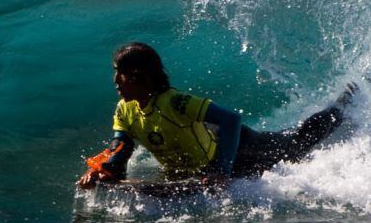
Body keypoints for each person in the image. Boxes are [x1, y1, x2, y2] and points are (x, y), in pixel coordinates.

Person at [77, 42, 356, 189]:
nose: (116, 80)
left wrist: (220, 172)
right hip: (208, 164)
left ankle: (342, 106)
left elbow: (231, 120)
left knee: (297, 144)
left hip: (239, 148)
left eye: (121, 74)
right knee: (290, 143)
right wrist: (100, 172)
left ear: (140, 77)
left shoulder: (175, 102)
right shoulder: (125, 111)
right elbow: (120, 150)